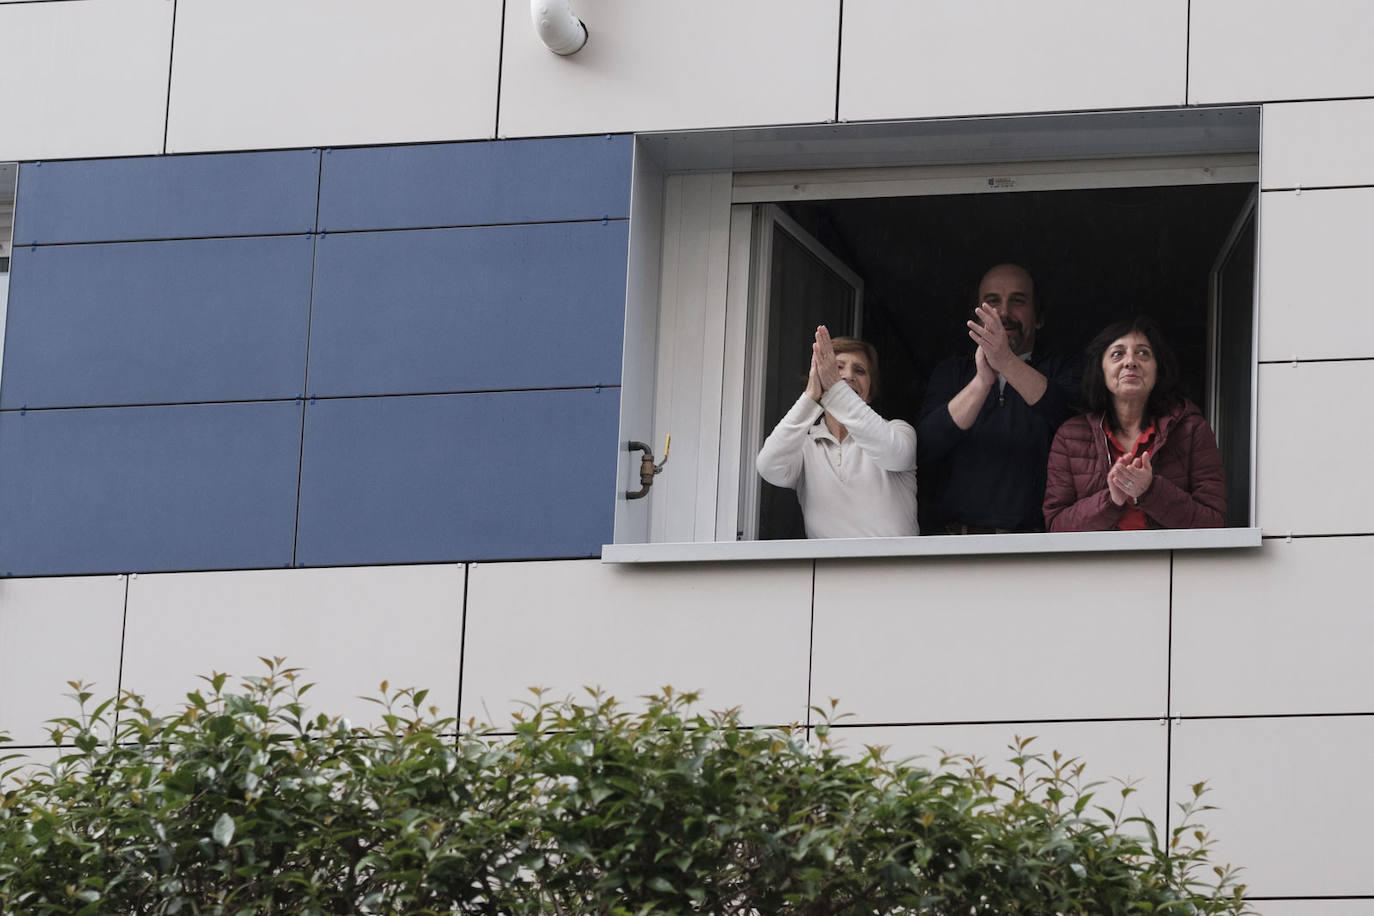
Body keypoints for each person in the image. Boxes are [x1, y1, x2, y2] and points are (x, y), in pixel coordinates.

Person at [917, 263, 1078, 533]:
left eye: (1018, 301)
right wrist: (982, 382)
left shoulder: (1063, 369)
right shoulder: (952, 372)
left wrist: (1005, 362)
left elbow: (1071, 421)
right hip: (956, 547)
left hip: (1039, 547)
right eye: (992, 302)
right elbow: (924, 447)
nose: (1004, 313)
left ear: (1038, 317)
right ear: (977, 318)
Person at [1043, 316, 1225, 531]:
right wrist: (1112, 500)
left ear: (1158, 370)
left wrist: (1150, 490)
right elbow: (1056, 526)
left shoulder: (1192, 430)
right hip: (1096, 565)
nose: (1130, 362)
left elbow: (1213, 523)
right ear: (1101, 369)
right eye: (1117, 354)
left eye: (1143, 353)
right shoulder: (1070, 436)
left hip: (1172, 562)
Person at [756, 326, 918, 538]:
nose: (848, 376)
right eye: (837, 368)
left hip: (895, 570)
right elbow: (769, 467)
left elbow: (894, 453)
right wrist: (811, 395)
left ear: (870, 392)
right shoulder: (805, 447)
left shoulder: (898, 431)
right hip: (829, 570)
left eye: (859, 371)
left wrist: (834, 387)